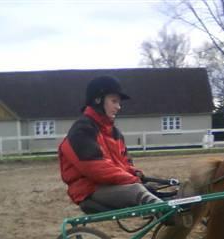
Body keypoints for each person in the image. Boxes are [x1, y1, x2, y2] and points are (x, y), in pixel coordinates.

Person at [58, 75, 165, 215]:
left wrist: (135, 173)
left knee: (160, 187)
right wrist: (134, 181)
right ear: (98, 100)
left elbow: (124, 164)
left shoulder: (115, 133)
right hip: (90, 190)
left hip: (111, 185)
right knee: (136, 190)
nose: (118, 107)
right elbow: (97, 169)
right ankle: (170, 214)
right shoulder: (81, 131)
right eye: (114, 101)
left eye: (119, 103)